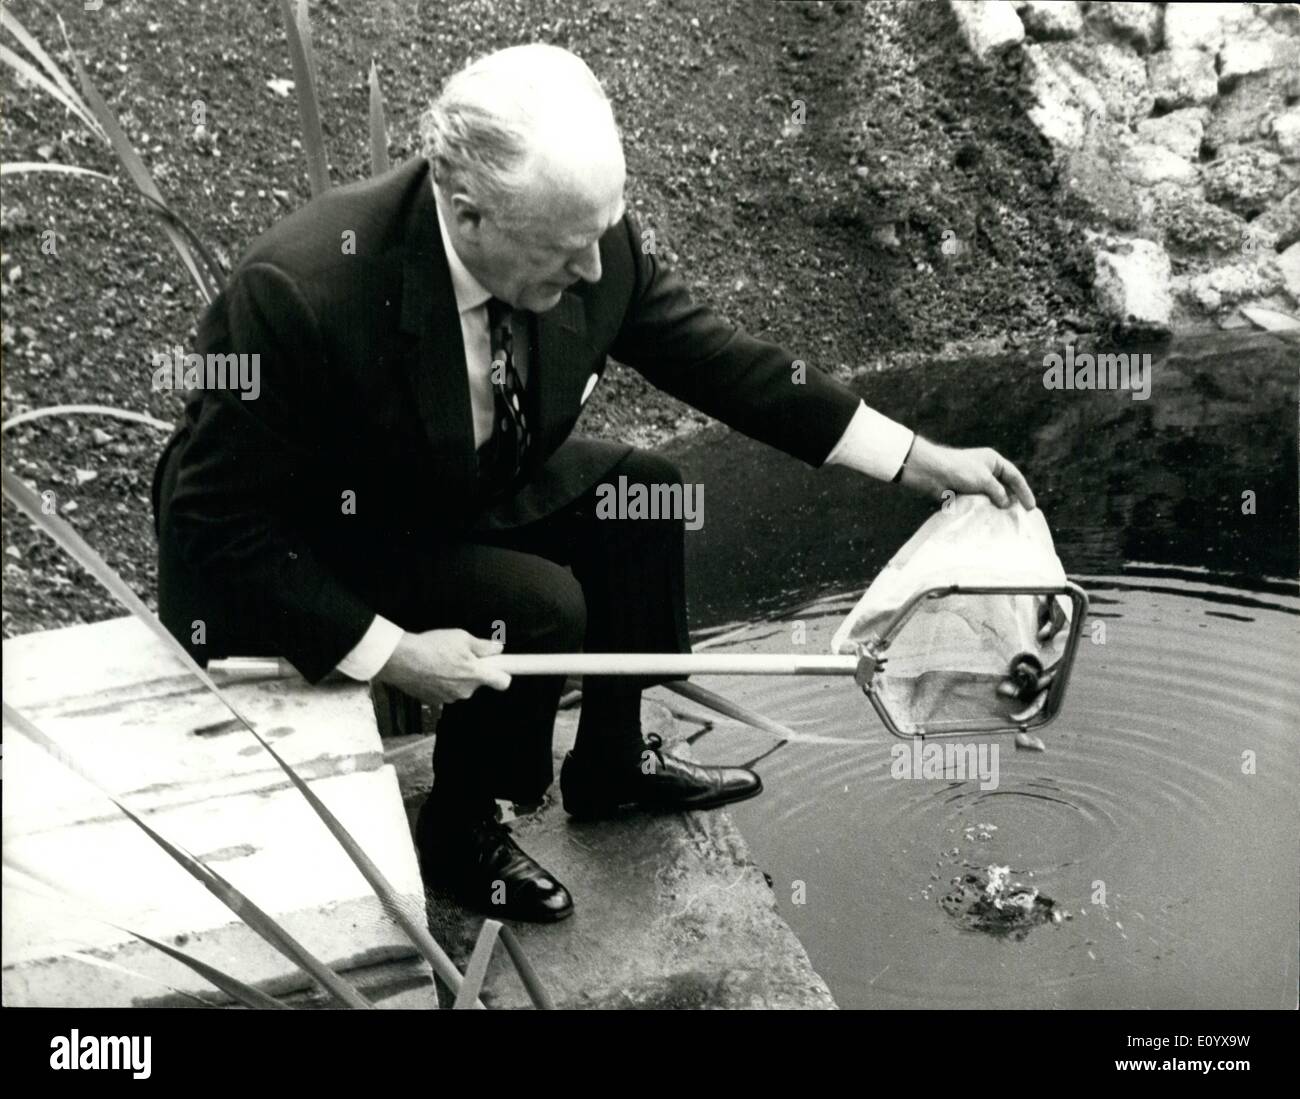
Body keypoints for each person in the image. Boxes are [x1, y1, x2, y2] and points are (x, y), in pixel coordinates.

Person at [152, 43, 1035, 923]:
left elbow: (731, 367)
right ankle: (463, 824)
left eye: (600, 241)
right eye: (569, 252)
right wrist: (391, 650)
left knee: (643, 497)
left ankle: (611, 766)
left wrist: (924, 459)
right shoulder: (302, 291)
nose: (595, 275)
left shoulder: (584, 234)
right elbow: (208, 524)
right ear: (469, 217)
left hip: (459, 480)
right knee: (538, 606)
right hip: (319, 540)